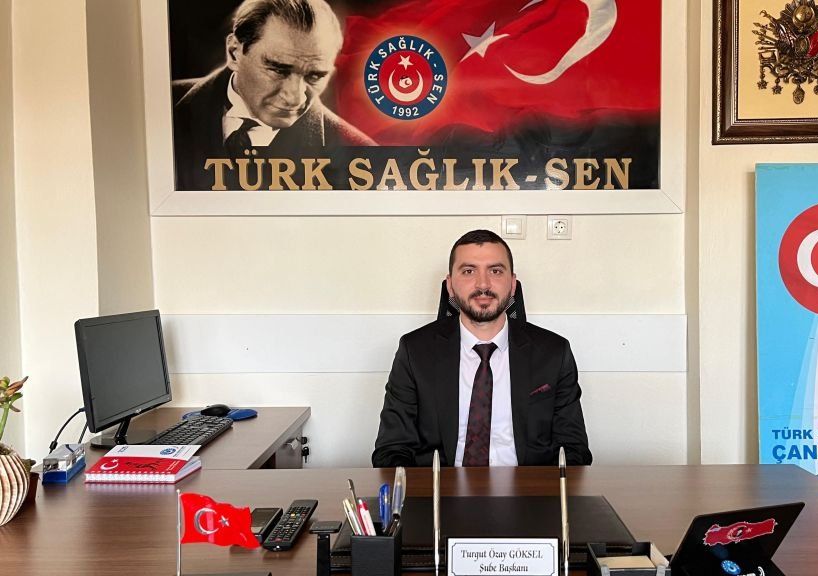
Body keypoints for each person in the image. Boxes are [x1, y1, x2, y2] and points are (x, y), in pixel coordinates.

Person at [372, 230, 592, 467]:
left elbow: (574, 451)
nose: (483, 284)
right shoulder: (414, 352)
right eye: (469, 271)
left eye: (495, 271)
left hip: (527, 486)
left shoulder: (554, 353)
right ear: (450, 286)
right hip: (441, 486)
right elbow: (391, 451)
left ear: (512, 284)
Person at [171, 0, 375, 190]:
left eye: (315, 76)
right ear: (234, 52)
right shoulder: (164, 104)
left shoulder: (363, 157)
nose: (295, 98)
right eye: (278, 70)